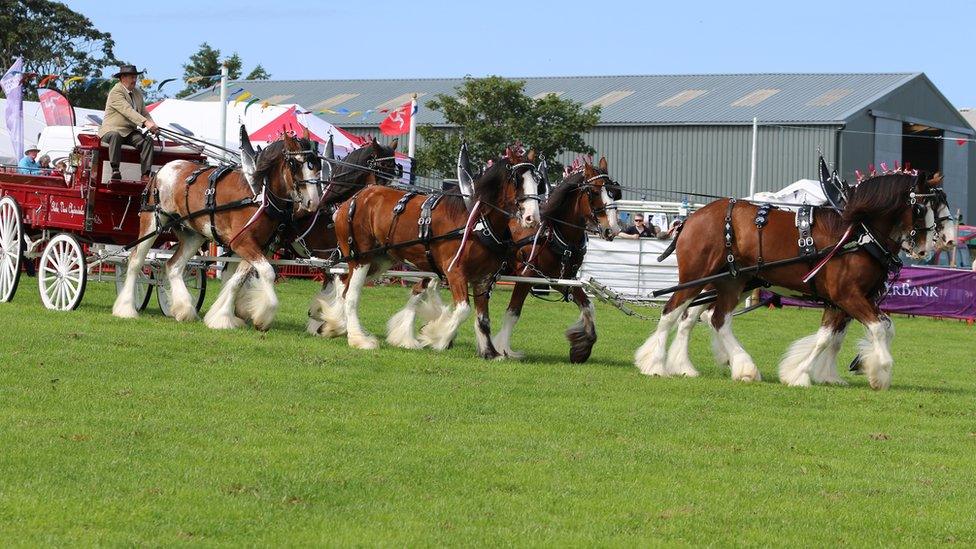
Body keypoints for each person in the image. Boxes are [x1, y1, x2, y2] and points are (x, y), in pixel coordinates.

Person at [98, 64, 158, 181]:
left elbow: (144, 112)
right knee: (116, 135)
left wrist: (153, 125)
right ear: (123, 78)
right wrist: (145, 122)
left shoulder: (137, 93)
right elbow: (127, 110)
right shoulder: (116, 92)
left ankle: (145, 174)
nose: (135, 80)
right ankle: (115, 169)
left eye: (135, 77)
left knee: (147, 141)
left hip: (129, 132)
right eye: (132, 77)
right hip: (111, 130)